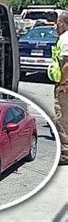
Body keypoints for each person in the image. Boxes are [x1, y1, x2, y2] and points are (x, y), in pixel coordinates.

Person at [50, 11, 68, 165]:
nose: (56, 25)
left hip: (65, 85)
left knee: (61, 118)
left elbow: (67, 64)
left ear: (63, 22)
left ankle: (65, 153)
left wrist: (63, 83)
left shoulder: (65, 39)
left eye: (58, 21)